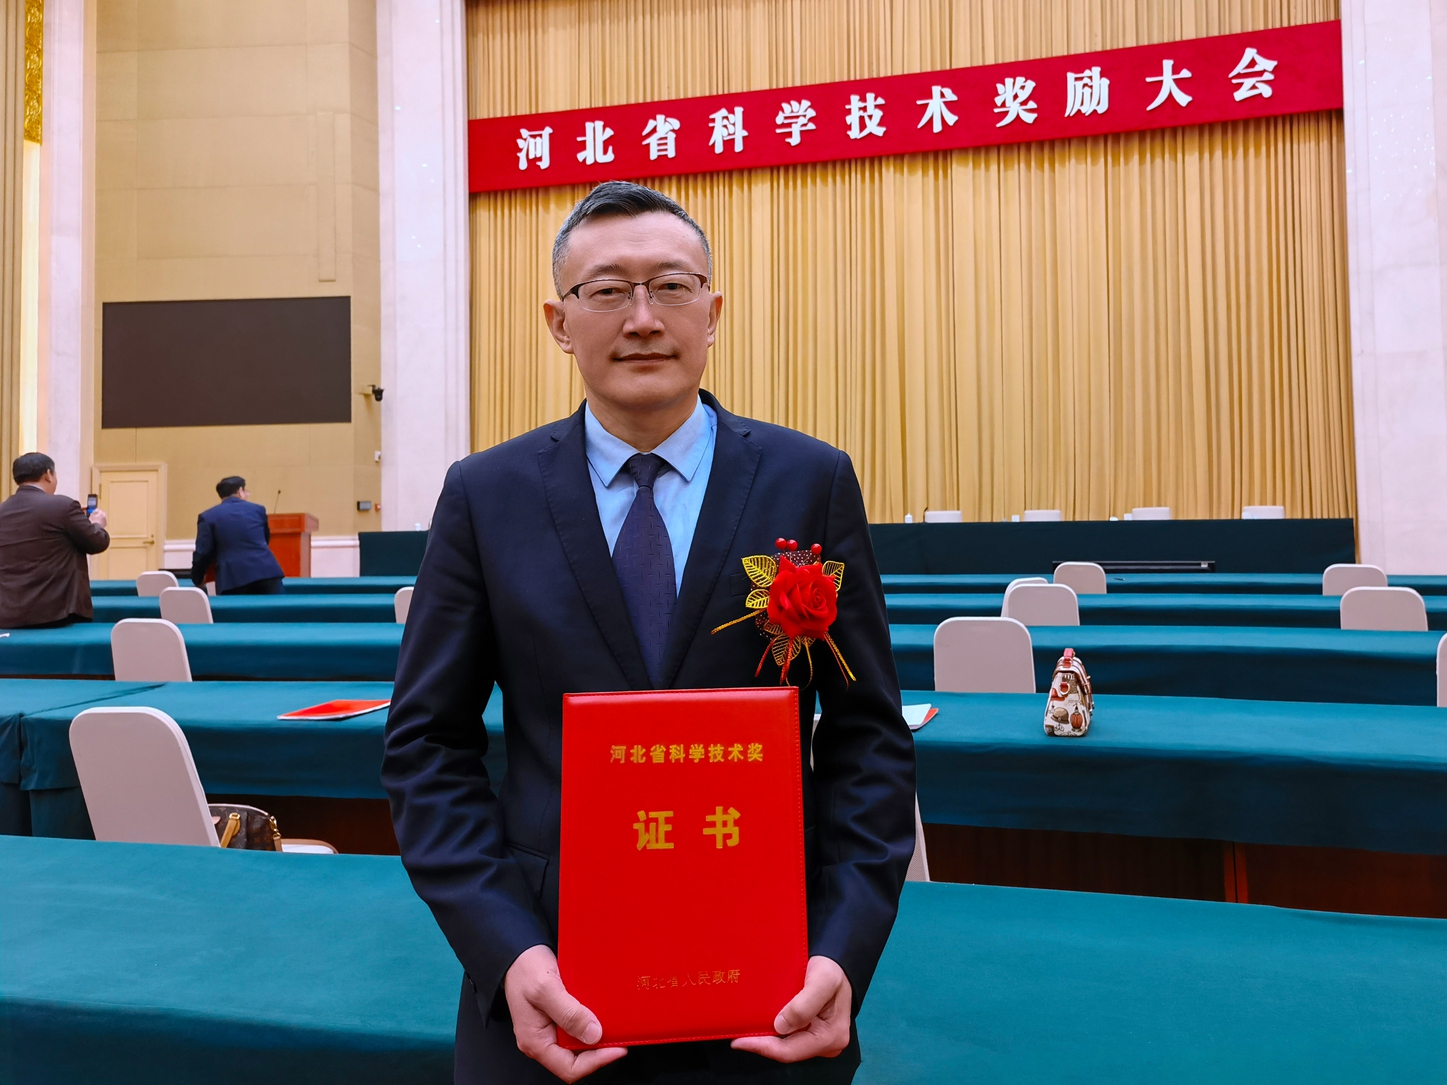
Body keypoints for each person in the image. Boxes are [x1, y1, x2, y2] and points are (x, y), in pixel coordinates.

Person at [383, 181, 916, 1085]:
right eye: (606, 291)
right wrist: (507, 949)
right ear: (558, 322)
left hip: (772, 977)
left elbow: (866, 738)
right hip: (553, 982)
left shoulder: (809, 480)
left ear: (713, 311)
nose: (642, 319)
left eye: (671, 286)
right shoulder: (486, 495)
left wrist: (842, 947)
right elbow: (427, 744)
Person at [0, 452, 110, 628]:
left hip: (9, 613)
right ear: (48, 475)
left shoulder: (3, 510)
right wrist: (97, 524)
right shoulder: (63, 506)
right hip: (56, 614)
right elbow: (97, 542)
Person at [190, 477, 285, 595]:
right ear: (240, 491)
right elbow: (266, 538)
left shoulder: (208, 516)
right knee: (274, 607)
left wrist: (197, 579)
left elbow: (203, 552)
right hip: (267, 573)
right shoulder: (258, 510)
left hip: (232, 578)